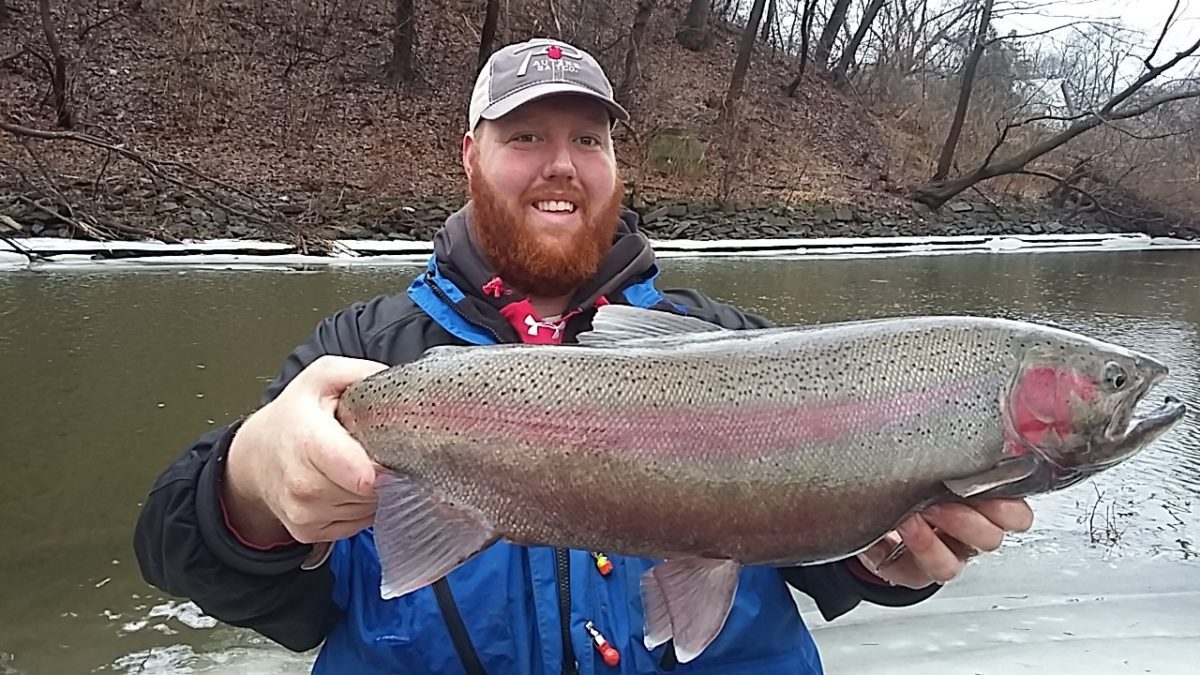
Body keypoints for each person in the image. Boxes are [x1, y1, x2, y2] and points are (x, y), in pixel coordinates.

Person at [133, 38, 1034, 674]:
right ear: (471, 156)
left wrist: (893, 559)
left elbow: (829, 554)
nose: (561, 164)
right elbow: (187, 555)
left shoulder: (743, 351)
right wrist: (252, 482)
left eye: (588, 140)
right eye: (525, 136)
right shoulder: (362, 355)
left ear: (614, 164)